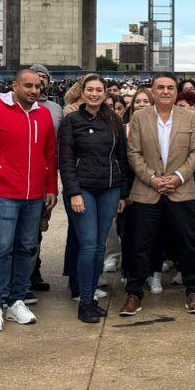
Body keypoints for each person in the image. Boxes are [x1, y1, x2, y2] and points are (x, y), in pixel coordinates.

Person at [0, 69, 58, 331]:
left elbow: (50, 155)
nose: (33, 90)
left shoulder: (43, 115)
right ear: (15, 86)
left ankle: (17, 300)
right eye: (27, 85)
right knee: (2, 247)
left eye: (38, 86)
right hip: (4, 192)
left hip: (33, 194)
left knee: (27, 247)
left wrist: (51, 186)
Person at [119, 73, 195, 316]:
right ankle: (134, 294)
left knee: (188, 244)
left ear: (176, 92)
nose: (165, 91)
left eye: (170, 87)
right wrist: (153, 179)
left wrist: (178, 177)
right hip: (147, 190)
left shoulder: (189, 116)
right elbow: (133, 153)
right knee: (140, 244)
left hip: (181, 189)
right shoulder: (139, 117)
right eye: (160, 87)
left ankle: (193, 292)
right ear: (153, 91)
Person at [59, 74, 129, 325]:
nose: (95, 94)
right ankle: (85, 301)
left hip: (109, 189)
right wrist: (74, 192)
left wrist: (123, 193)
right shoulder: (71, 120)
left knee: (100, 245)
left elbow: (122, 158)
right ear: (83, 92)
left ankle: (92, 298)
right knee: (88, 244)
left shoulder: (114, 120)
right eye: (90, 90)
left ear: (105, 93)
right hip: (83, 189)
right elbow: (65, 159)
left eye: (99, 90)